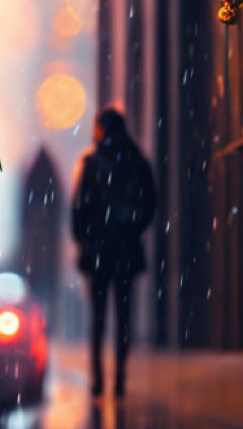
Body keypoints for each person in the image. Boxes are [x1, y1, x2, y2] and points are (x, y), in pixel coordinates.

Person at [72, 107, 156, 399]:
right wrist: (131, 226)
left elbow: (79, 208)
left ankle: (100, 379)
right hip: (124, 250)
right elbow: (150, 203)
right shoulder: (136, 162)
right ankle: (118, 377)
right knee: (122, 317)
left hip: (100, 250)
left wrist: (86, 235)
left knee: (99, 319)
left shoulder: (93, 163)